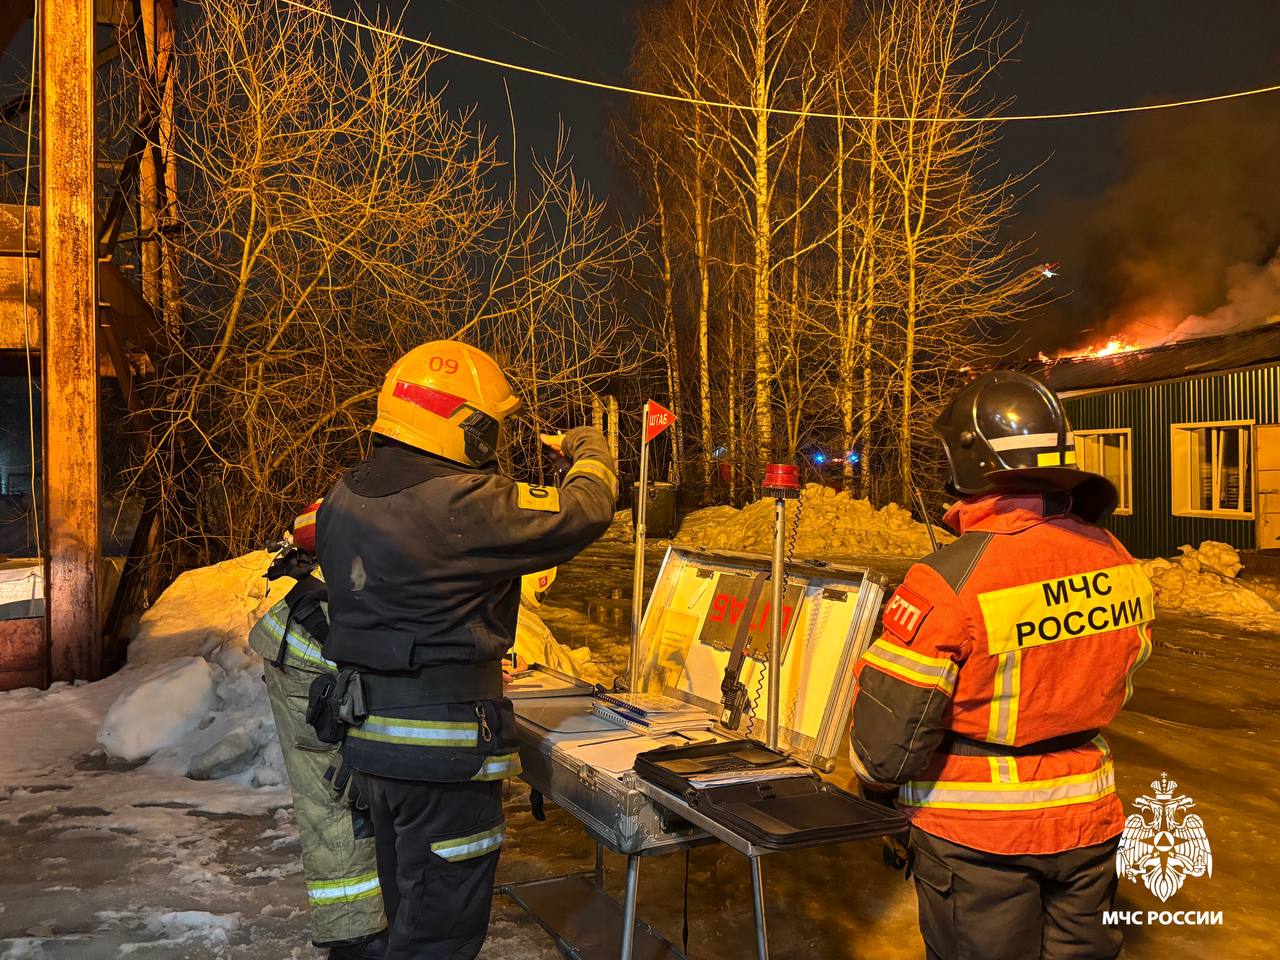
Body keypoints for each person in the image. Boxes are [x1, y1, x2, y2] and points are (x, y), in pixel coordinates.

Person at [314, 340, 617, 960]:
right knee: (440, 936)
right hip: (440, 758)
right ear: (466, 426)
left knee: (408, 910)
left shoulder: (345, 496)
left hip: (367, 744)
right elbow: (585, 510)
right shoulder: (462, 503)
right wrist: (590, 448)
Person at [850, 370, 1153, 960]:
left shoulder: (947, 579)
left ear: (969, 460)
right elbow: (1122, 668)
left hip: (977, 839)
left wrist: (874, 795)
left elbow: (888, 744)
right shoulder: (1116, 557)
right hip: (1090, 822)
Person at [246, 502, 387, 960]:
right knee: (343, 806)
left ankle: (356, 932)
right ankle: (358, 938)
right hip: (313, 670)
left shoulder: (340, 555)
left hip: (301, 660)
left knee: (332, 808)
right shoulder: (344, 589)